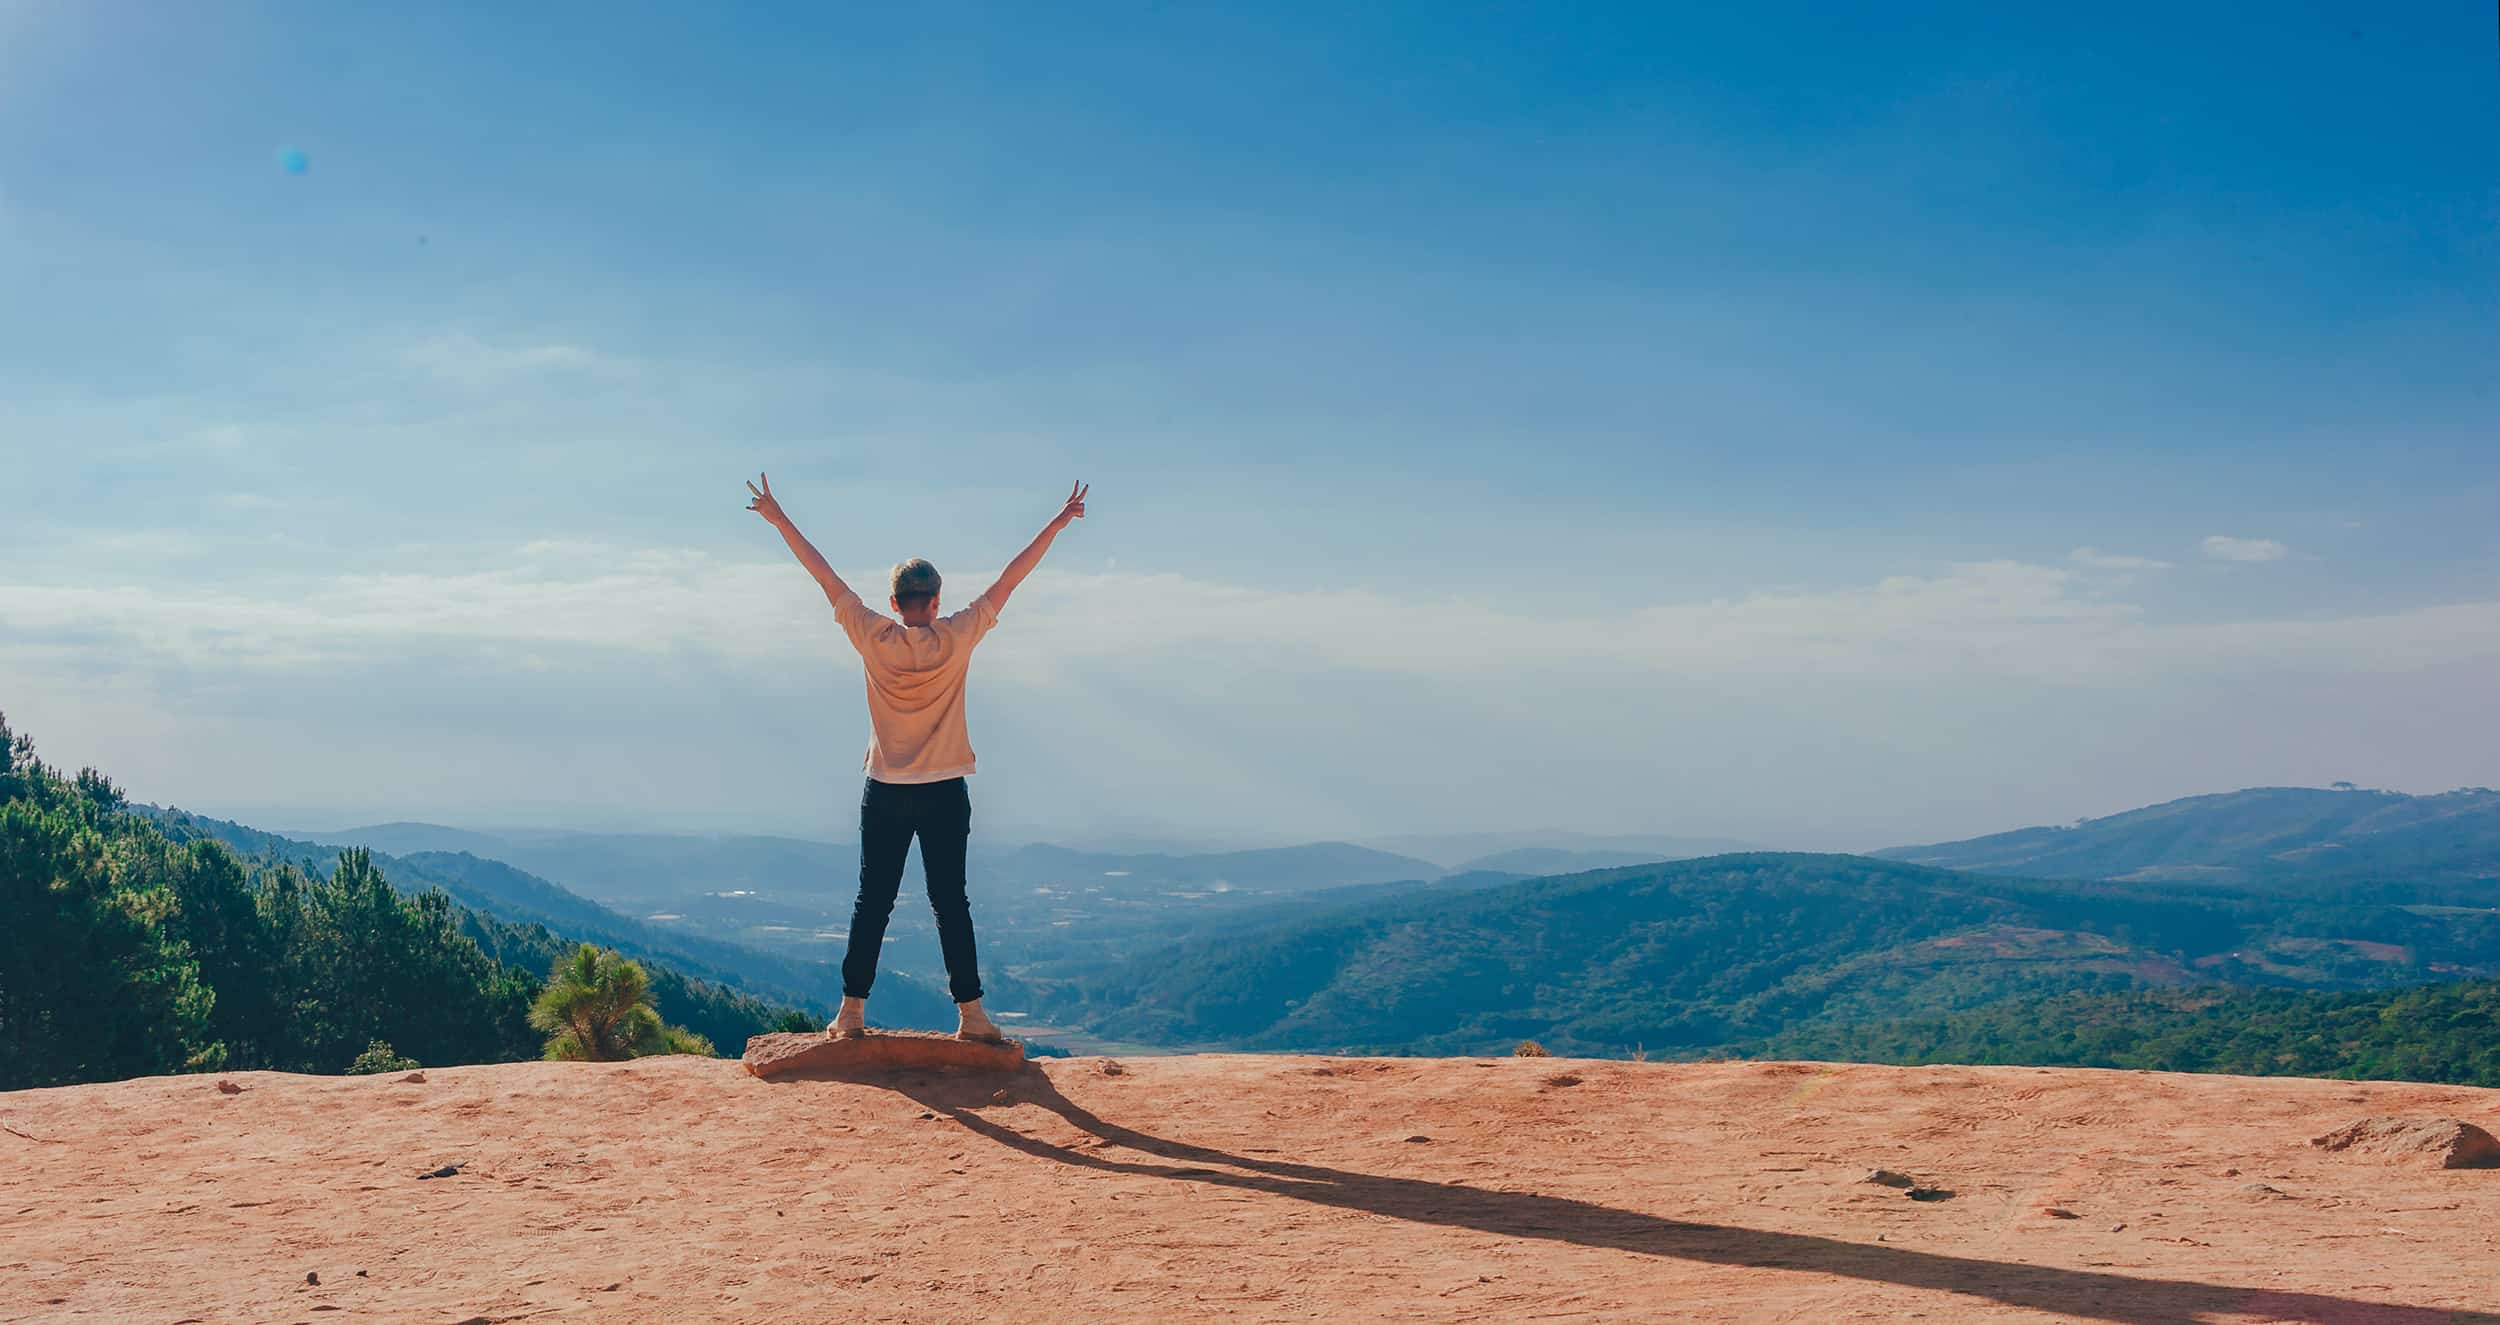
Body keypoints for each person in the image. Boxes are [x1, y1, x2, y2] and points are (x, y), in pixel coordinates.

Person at [744, 473, 1088, 1043]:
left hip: (884, 788)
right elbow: (1011, 580)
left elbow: (823, 575)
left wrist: (779, 518)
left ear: (894, 603)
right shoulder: (958, 637)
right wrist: (1055, 524)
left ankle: (850, 1013)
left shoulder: (871, 635)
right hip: (944, 789)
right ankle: (971, 1015)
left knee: (872, 900)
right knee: (950, 901)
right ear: (935, 601)